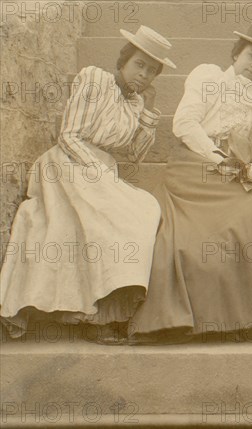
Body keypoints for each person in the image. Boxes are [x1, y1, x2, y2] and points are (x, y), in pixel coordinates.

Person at [0, 26, 176, 343]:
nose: (143, 74)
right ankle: (93, 316)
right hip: (66, 163)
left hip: (101, 171)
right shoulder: (95, 79)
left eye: (151, 70)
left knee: (145, 209)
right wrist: (98, 173)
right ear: (124, 59)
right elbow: (68, 135)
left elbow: (134, 157)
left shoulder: (135, 104)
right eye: (139, 64)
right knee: (108, 215)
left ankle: (107, 310)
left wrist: (148, 113)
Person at [129, 24, 252, 343]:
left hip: (240, 170)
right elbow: (184, 124)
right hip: (199, 163)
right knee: (242, 215)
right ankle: (222, 316)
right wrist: (220, 159)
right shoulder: (209, 77)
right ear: (237, 53)